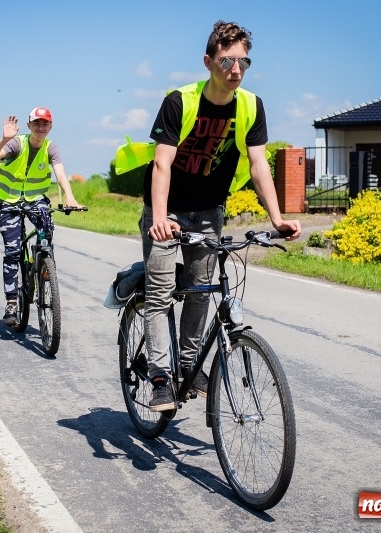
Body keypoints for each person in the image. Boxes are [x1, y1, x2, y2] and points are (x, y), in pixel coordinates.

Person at [140, 21, 301, 412]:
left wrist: (278, 218)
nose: (236, 69)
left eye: (243, 61)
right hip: (168, 208)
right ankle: (161, 377)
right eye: (227, 60)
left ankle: (190, 369)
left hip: (210, 211)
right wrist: (160, 217)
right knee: (160, 296)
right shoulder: (180, 100)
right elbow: (163, 164)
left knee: (200, 293)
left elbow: (259, 165)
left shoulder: (251, 105)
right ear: (209, 61)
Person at [0, 108, 83, 327]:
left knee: (46, 228)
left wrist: (70, 197)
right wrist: (3, 139)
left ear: (50, 127)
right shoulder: (16, 143)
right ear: (29, 126)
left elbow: (59, 172)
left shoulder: (51, 147)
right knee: (12, 251)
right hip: (9, 201)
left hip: (35, 199)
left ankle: (45, 268)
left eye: (45, 124)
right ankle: (11, 302)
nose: (41, 128)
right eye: (36, 124)